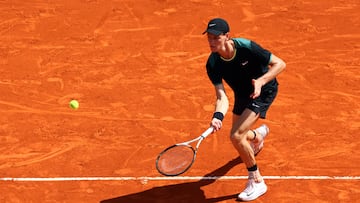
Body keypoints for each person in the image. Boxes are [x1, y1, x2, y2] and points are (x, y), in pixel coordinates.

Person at [202, 18, 286, 201]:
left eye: (216, 37)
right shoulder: (213, 64)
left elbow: (280, 64)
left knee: (236, 136)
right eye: (209, 37)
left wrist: (261, 81)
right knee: (240, 135)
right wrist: (217, 116)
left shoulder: (246, 47)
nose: (211, 41)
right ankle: (258, 137)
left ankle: (256, 180)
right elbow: (221, 96)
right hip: (242, 94)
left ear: (227, 37)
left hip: (263, 90)